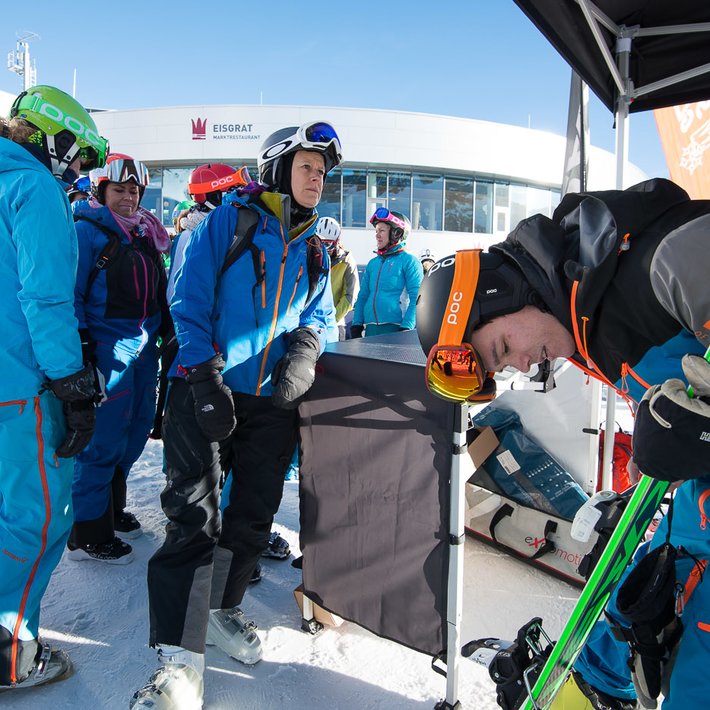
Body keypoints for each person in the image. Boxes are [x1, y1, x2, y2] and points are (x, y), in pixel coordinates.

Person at [415, 178, 710, 710]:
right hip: (699, 507)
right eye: (504, 366)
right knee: (644, 589)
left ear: (505, 293)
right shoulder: (582, 324)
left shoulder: (654, 259)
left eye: (503, 347)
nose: (522, 365)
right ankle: (598, 681)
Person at [131, 120, 341, 709]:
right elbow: (186, 299)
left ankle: (221, 611)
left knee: (253, 514)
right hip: (206, 387)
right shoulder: (227, 221)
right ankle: (178, 660)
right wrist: (200, 375)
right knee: (193, 519)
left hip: (270, 401)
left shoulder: (315, 249)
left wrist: (305, 348)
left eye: (322, 173)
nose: (317, 180)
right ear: (277, 167)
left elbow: (318, 314)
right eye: (306, 168)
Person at [0, 85, 107, 689]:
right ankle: (8, 652)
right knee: (36, 520)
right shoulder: (32, 186)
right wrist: (70, 382)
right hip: (21, 386)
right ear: (53, 136)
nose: (76, 169)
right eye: (78, 154)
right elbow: (43, 299)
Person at [68, 153, 171, 564]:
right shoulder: (87, 230)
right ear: (102, 191)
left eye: (134, 190)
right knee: (102, 440)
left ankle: (110, 510)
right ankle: (86, 532)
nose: (128, 198)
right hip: (108, 349)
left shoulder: (145, 234)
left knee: (134, 435)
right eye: (119, 190)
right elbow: (71, 293)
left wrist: (168, 330)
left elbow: (158, 291)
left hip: (144, 351)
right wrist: (81, 344)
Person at [351, 208, 422, 338]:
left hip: (397, 329)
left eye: (382, 230)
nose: (377, 235)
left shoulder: (409, 261)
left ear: (397, 233)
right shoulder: (373, 263)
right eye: (376, 231)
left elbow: (417, 299)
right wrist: (356, 324)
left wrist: (407, 327)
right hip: (370, 329)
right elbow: (363, 296)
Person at [316, 216, 359, 340]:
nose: (323, 248)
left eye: (327, 244)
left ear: (336, 242)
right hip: (309, 324)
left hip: (334, 324)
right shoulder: (309, 257)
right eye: (319, 243)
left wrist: (330, 319)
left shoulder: (347, 261)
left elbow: (349, 297)